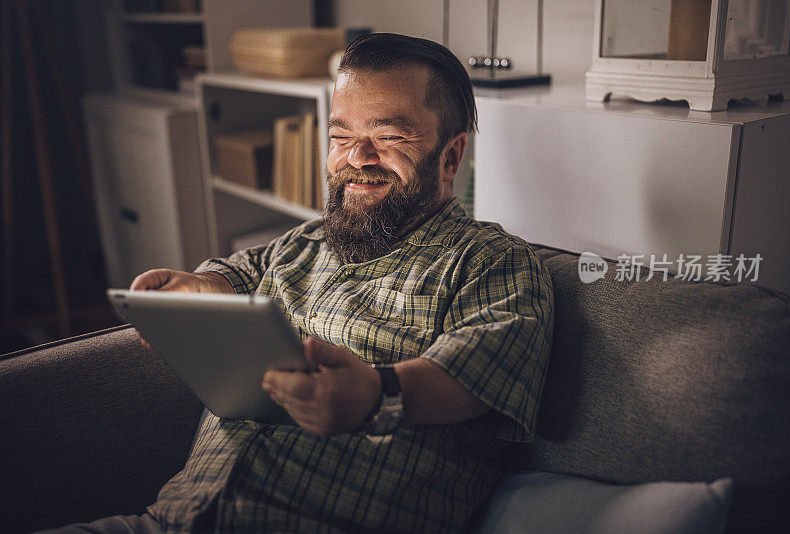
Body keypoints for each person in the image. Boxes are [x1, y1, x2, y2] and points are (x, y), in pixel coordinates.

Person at [53, 33, 553, 533]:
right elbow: (239, 272)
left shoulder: (493, 262)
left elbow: (476, 376)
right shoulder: (304, 242)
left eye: (390, 137)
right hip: (166, 521)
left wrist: (377, 396)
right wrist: (201, 288)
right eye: (339, 137)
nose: (356, 157)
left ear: (450, 157)